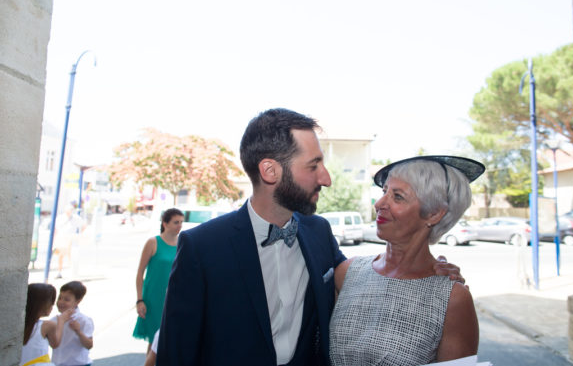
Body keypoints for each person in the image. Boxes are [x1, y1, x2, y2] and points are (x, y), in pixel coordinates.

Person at [157, 108, 462, 366]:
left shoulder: (318, 232)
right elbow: (176, 354)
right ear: (270, 171)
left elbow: (368, 277)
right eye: (313, 165)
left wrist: (432, 270)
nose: (326, 179)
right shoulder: (202, 247)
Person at [329, 155, 485, 366]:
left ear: (434, 214)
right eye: (384, 192)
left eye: (398, 196)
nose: (379, 204)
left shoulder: (453, 300)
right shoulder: (347, 273)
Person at [133, 208, 183, 352]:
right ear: (165, 223)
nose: (179, 225)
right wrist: (139, 299)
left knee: (170, 340)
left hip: (174, 297)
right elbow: (140, 272)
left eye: (181, 222)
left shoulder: (182, 243)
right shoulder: (153, 242)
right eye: (176, 222)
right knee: (155, 340)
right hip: (154, 298)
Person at [20, 283, 74, 366]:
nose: (52, 306)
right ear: (42, 305)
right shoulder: (47, 325)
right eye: (51, 302)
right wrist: (61, 321)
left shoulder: (19, 324)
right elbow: (55, 344)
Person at [51, 281, 94, 366]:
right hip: (57, 363)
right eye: (60, 298)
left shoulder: (84, 320)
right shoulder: (53, 321)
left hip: (79, 363)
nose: (61, 302)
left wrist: (79, 332)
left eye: (66, 299)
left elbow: (89, 345)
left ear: (78, 301)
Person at [53, 204, 86, 278]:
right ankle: (59, 272)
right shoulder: (60, 218)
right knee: (60, 255)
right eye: (68, 211)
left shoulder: (76, 218)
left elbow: (84, 226)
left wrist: (79, 234)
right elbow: (56, 229)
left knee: (71, 255)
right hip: (61, 238)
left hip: (71, 239)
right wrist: (55, 239)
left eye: (70, 211)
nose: (69, 213)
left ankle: (72, 272)